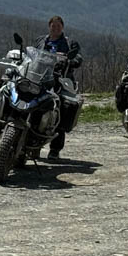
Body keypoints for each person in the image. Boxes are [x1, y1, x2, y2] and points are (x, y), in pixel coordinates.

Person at [36, 15, 80, 159]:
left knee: (58, 110)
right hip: (41, 78)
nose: (55, 28)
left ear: (62, 27)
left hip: (60, 80)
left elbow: (78, 58)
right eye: (53, 26)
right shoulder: (41, 41)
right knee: (34, 106)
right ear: (49, 26)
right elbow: (33, 55)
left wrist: (70, 60)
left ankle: (55, 149)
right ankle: (32, 144)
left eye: (58, 26)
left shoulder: (69, 43)